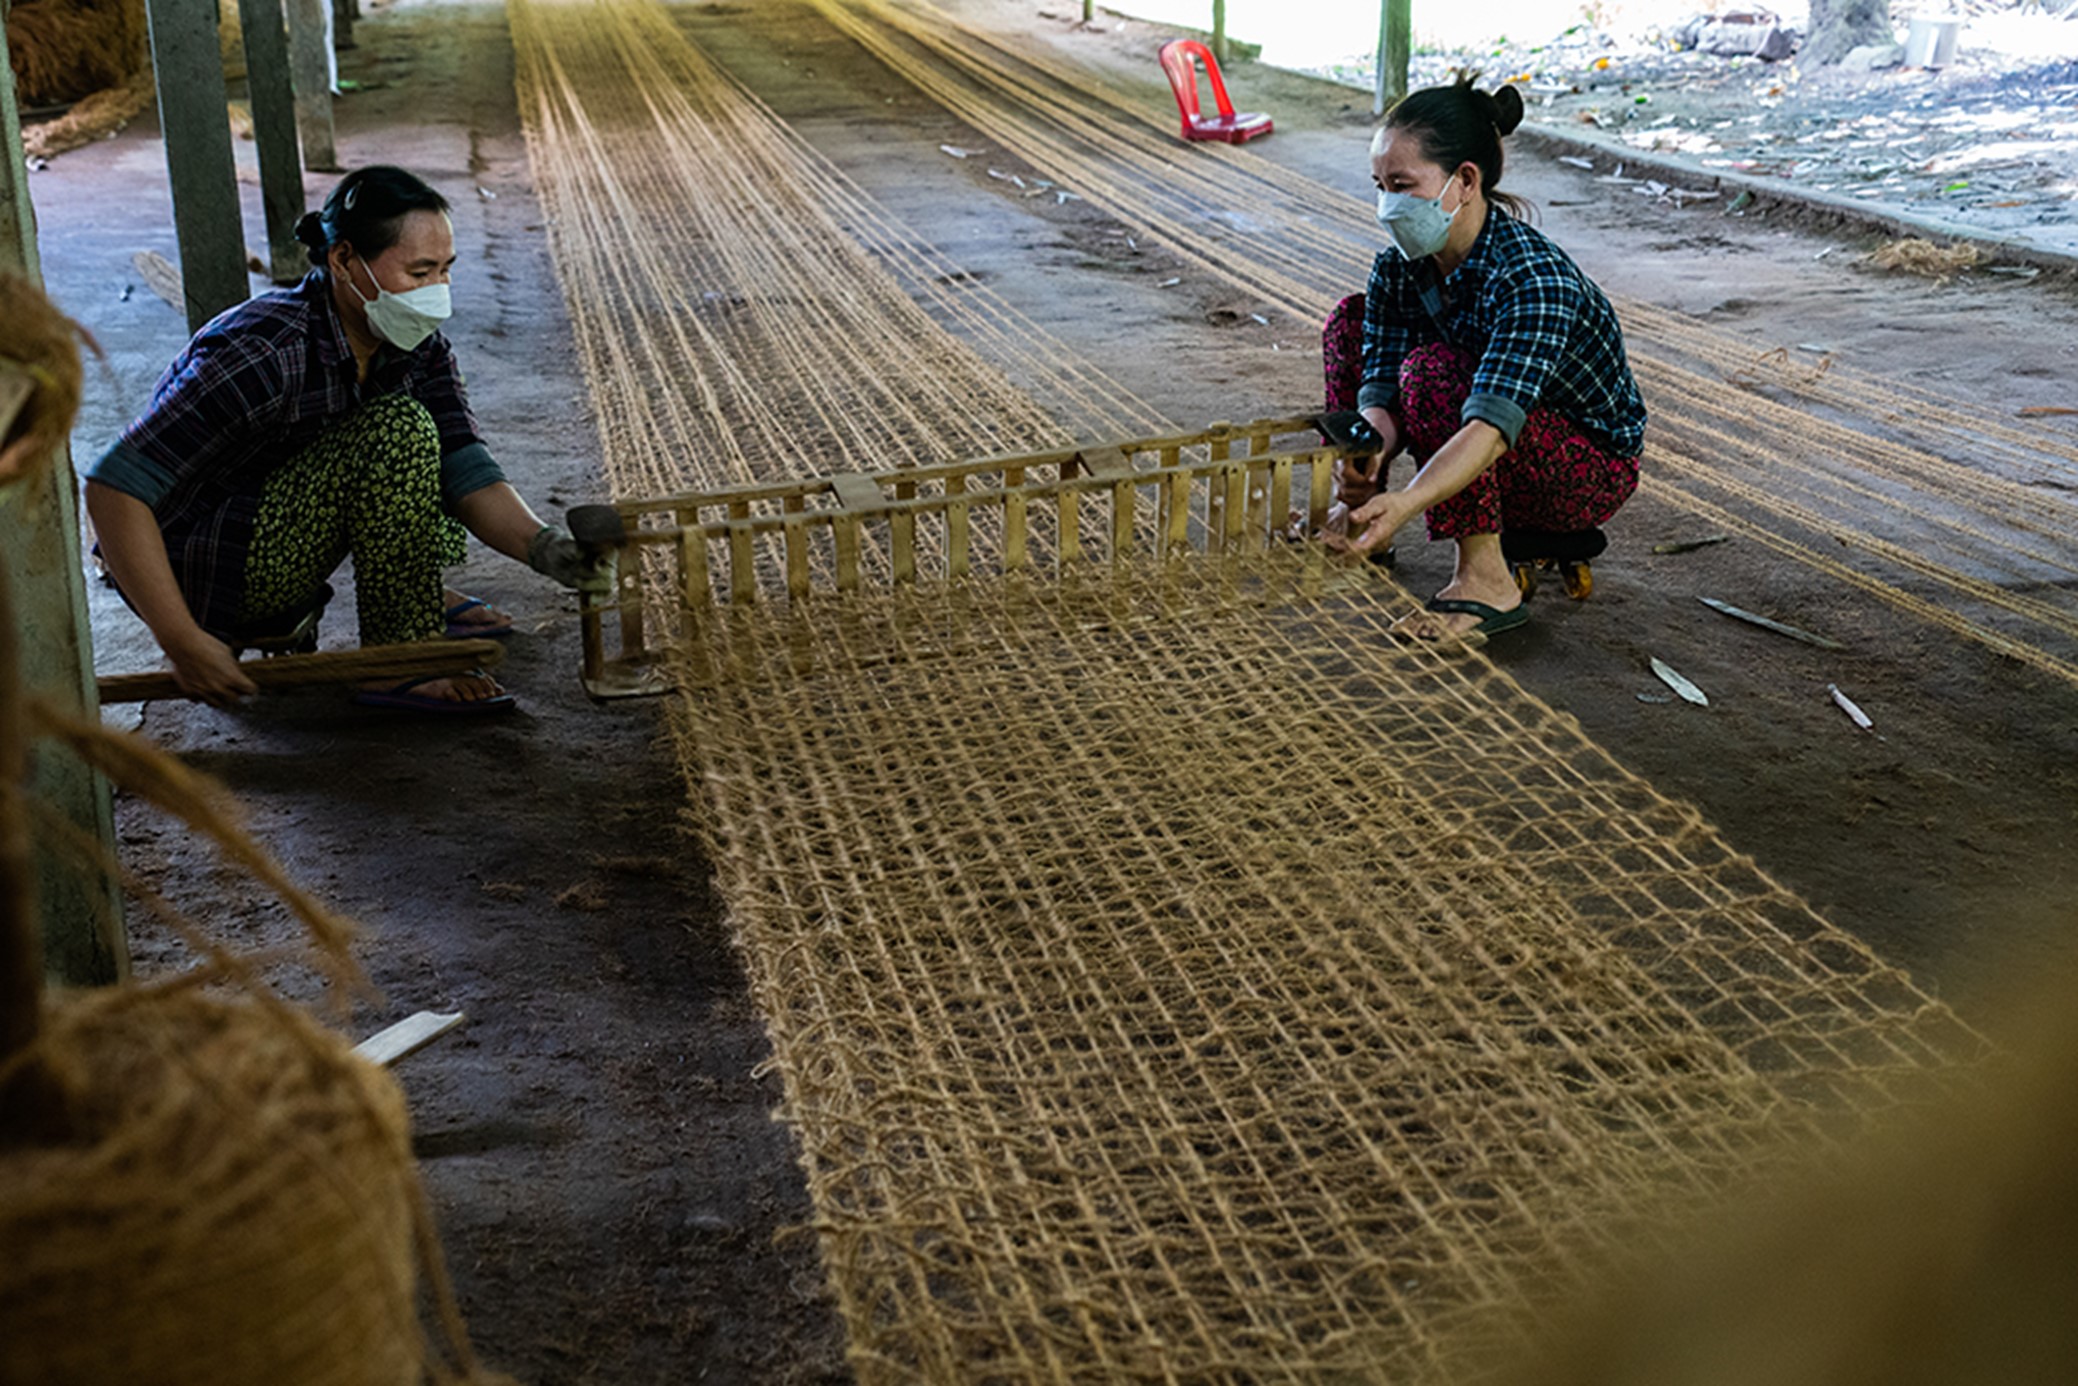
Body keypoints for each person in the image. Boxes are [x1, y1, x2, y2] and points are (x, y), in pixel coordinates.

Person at [84, 165, 607, 712]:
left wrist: (548, 550)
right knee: (397, 432)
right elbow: (112, 488)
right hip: (207, 571)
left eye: (445, 271)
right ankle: (401, 657)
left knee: (420, 432)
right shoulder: (263, 353)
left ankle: (410, 596)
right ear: (343, 261)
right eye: (419, 272)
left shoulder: (411, 343)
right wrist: (183, 639)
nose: (438, 292)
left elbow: (465, 468)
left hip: (273, 525)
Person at [1322, 76, 1647, 639]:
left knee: (1434, 373)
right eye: (1380, 185)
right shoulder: (1401, 266)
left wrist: (1411, 499)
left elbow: (1492, 425)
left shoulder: (1533, 279)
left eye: (1402, 185)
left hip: (1581, 470)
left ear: (1464, 181)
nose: (1387, 205)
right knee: (1350, 323)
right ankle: (1365, 520)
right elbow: (1377, 378)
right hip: (1491, 436)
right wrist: (1368, 454)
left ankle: (1484, 579)